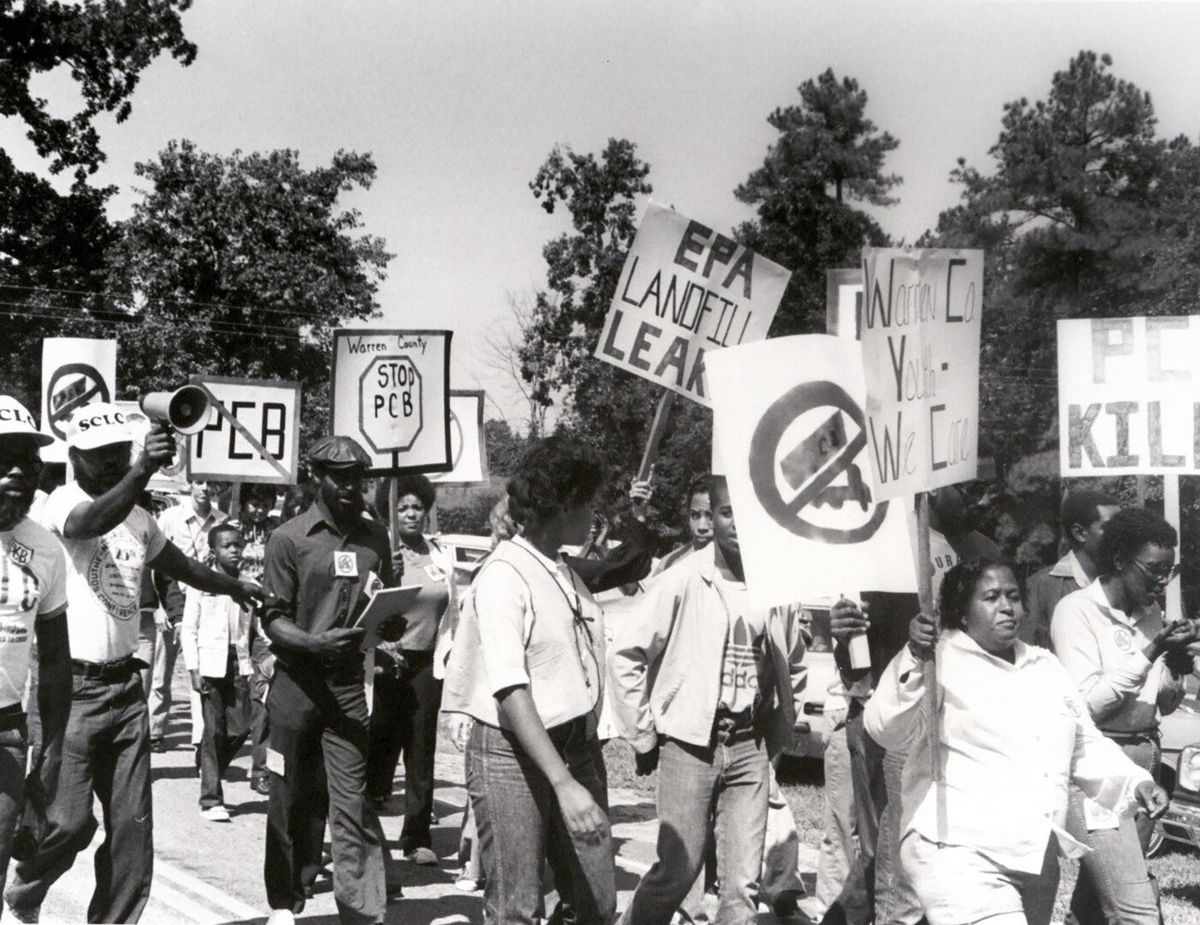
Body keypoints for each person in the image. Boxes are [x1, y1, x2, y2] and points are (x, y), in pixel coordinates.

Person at [3, 402, 261, 924]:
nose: (116, 464)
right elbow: (87, 523)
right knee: (70, 823)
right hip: (72, 689)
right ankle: (25, 891)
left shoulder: (140, 520)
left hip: (125, 689)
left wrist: (237, 587)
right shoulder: (57, 505)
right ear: (74, 457)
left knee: (132, 832)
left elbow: (182, 566)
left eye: (122, 454)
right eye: (102, 456)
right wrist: (144, 469)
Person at [864, 557, 1169, 925]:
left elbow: (1084, 744)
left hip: (1033, 853)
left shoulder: (1045, 668)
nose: (1006, 607)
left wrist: (1137, 783)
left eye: (1013, 596)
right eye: (991, 597)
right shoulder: (937, 661)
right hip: (957, 849)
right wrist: (913, 656)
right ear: (962, 613)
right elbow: (885, 727)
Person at [610, 474, 807, 925]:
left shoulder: (775, 587)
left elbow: (791, 661)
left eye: (745, 513)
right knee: (678, 871)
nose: (736, 523)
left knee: (742, 884)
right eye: (725, 512)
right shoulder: (683, 578)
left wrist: (780, 720)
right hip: (690, 745)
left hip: (749, 745)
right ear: (712, 519)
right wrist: (643, 732)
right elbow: (625, 653)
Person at [442, 434, 615, 925]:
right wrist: (563, 784)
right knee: (517, 906)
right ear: (561, 507)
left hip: (574, 745)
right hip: (511, 753)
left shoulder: (560, 566)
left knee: (595, 902)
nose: (593, 515)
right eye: (587, 504)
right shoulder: (503, 575)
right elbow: (510, 689)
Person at [824, 479, 1002, 925]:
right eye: (966, 486)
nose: (980, 496)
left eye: (987, 484)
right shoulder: (891, 546)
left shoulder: (986, 552)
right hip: (901, 723)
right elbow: (860, 652)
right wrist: (843, 638)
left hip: (965, 723)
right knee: (892, 858)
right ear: (934, 484)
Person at [260, 435, 401, 925]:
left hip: (345, 688)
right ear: (316, 476)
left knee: (351, 801)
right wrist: (314, 643)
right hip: (296, 686)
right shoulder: (289, 538)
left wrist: (395, 619)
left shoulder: (375, 538)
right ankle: (285, 898)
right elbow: (272, 618)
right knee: (289, 796)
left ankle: (361, 911)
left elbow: (384, 603)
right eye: (339, 476)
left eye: (357, 477)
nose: (349, 486)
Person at [1050, 507, 1194, 925]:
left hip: (1144, 764)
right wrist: (1149, 653)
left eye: (1171, 570)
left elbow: (1163, 704)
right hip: (1098, 772)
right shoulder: (1076, 612)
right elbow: (1088, 705)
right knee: (1135, 905)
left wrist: (1177, 666)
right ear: (1118, 561)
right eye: (1153, 570)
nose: (1163, 581)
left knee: (1096, 901)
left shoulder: (1151, 617)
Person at [0, 397, 72, 906]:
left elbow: (56, 660)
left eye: (28, 458)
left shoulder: (45, 548)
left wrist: (48, 756)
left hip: (4, 732)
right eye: (4, 456)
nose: (19, 471)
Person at [366, 473, 457, 866]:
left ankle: (417, 836)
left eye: (417, 507)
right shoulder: (380, 552)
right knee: (378, 749)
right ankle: (364, 836)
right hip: (385, 662)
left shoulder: (440, 554)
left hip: (425, 664)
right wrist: (385, 571)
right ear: (390, 511)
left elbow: (452, 609)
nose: (410, 514)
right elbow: (365, 607)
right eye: (401, 507)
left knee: (421, 751)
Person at [182, 522, 254, 822]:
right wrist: (193, 669)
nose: (234, 551)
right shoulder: (202, 584)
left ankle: (209, 771)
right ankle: (210, 798)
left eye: (238, 545)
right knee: (214, 730)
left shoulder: (249, 584)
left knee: (240, 728)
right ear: (214, 551)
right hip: (210, 665)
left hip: (238, 663)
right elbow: (189, 628)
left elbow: (254, 629)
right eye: (227, 546)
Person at [149, 480, 226, 753]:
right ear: (190, 484)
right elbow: (153, 562)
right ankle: (155, 730)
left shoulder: (222, 520)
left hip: (205, 604)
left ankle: (201, 738)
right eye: (200, 482)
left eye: (211, 483)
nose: (206, 488)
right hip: (171, 597)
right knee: (161, 672)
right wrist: (158, 604)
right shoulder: (170, 518)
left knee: (201, 672)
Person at [1020, 489, 1120, 649]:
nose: (1122, 535)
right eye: (1111, 527)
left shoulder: (1124, 581)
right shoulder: (1041, 586)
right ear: (1080, 533)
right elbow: (1026, 652)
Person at [652, 473, 713, 575]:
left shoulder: (743, 563)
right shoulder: (670, 564)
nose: (702, 527)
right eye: (695, 515)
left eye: (710, 516)